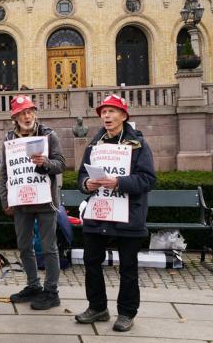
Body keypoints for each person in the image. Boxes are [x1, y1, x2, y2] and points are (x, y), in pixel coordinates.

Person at [75, 94, 156, 332]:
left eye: (112, 111)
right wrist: (87, 184)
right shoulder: (94, 144)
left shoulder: (138, 144)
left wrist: (119, 182)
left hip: (128, 215)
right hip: (99, 212)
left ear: (123, 116)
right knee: (91, 261)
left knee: (128, 267)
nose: (107, 116)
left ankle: (126, 313)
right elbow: (81, 176)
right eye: (103, 112)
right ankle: (97, 307)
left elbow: (148, 179)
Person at [0, 95, 65, 310]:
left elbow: (61, 165)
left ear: (34, 113)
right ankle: (33, 285)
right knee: (24, 247)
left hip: (46, 202)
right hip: (21, 202)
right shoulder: (9, 139)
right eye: (21, 113)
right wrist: (5, 199)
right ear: (15, 117)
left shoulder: (48, 135)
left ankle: (51, 291)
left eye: (29, 112)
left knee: (49, 248)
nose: (26, 116)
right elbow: (5, 173)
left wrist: (45, 162)